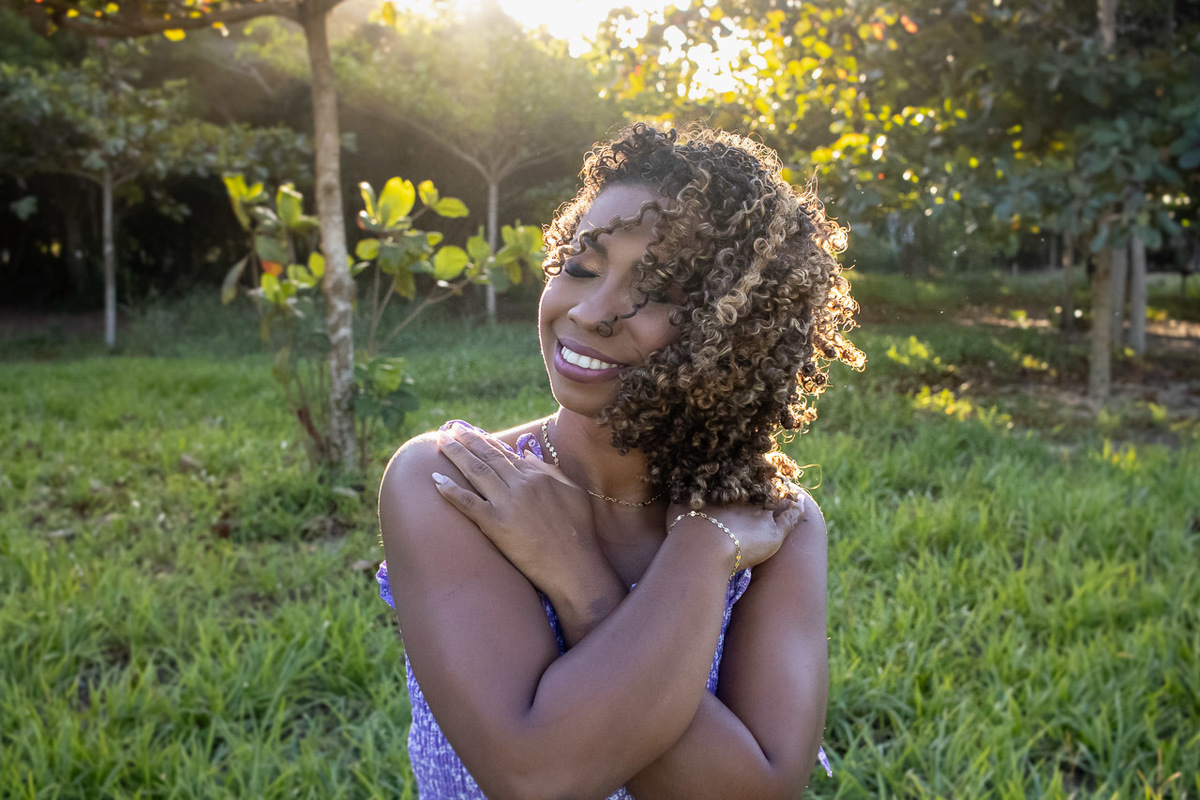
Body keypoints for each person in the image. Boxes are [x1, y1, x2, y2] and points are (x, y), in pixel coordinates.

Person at [377, 122, 864, 800]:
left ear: (740, 329)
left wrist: (665, 556)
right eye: (582, 266)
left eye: (659, 288)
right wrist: (699, 560)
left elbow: (759, 791)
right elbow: (536, 772)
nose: (593, 311)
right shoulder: (455, 482)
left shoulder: (772, 521)